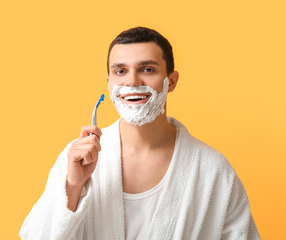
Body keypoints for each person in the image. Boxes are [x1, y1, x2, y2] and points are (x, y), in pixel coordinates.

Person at [19, 27, 260, 240]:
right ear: (109, 83)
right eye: (121, 72)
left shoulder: (213, 171)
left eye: (147, 69)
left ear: (171, 81)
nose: (132, 82)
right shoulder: (77, 159)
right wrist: (72, 185)